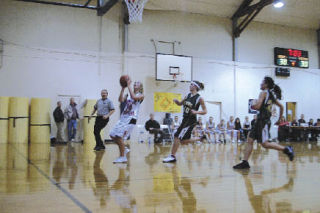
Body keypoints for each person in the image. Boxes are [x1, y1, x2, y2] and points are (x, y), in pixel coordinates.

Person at [233, 76, 294, 169]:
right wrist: (279, 119)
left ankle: (286, 149)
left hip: (263, 122)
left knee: (265, 144)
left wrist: (252, 104)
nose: (260, 84)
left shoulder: (263, 93)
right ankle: (245, 162)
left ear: (266, 84)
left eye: (262, 82)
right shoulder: (271, 95)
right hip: (260, 121)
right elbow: (281, 107)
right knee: (250, 140)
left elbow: (257, 106)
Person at [162, 81, 207, 163]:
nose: (190, 85)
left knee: (177, 136)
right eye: (190, 84)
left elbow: (205, 111)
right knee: (182, 141)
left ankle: (172, 156)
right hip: (184, 119)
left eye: (192, 84)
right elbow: (180, 103)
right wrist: (177, 102)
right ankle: (200, 138)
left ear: (196, 87)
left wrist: (196, 112)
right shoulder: (188, 95)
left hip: (191, 120)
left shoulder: (199, 98)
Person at [110, 77, 144, 163]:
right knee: (112, 135)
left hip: (131, 119)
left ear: (140, 87)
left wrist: (128, 86)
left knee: (119, 136)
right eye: (135, 82)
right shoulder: (128, 94)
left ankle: (122, 157)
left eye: (137, 83)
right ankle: (124, 148)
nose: (135, 83)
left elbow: (134, 97)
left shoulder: (141, 95)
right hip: (123, 118)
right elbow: (120, 100)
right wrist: (122, 88)